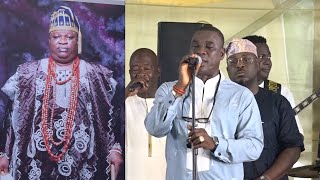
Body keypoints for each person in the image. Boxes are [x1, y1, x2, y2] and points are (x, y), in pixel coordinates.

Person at [0, 6, 123, 179]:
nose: (63, 41)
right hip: (37, 164)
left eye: (69, 37)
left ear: (77, 40)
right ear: (49, 40)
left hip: (82, 165)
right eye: (57, 36)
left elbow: (110, 119)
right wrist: (4, 154)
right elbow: (12, 118)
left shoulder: (97, 75)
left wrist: (114, 149)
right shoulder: (28, 74)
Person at [145, 24, 264, 179]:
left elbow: (254, 146)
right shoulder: (169, 89)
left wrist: (216, 144)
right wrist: (179, 88)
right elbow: (155, 129)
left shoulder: (240, 95)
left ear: (221, 54)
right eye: (196, 46)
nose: (201, 51)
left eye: (209, 47)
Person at [226, 38, 304, 180]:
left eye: (247, 59)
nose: (240, 65)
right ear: (227, 69)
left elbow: (293, 146)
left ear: (257, 65)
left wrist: (266, 178)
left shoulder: (278, 102)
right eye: (233, 61)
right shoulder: (218, 103)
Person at [243, 35, 304, 134]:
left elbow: (297, 137)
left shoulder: (280, 92)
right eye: (261, 57)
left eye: (269, 57)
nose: (268, 62)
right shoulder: (228, 91)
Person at [125, 48, 166, 180]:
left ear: (158, 71)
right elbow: (105, 119)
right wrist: (127, 91)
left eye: (147, 69)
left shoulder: (167, 104)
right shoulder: (124, 103)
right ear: (130, 73)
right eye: (136, 70)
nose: (141, 74)